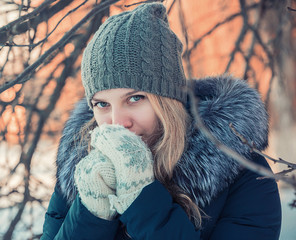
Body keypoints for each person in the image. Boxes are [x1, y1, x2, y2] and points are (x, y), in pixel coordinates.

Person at [41, 3, 281, 240]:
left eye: (135, 98)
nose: (117, 122)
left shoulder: (245, 178)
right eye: (102, 104)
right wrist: (91, 212)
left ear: (168, 100)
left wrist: (141, 197)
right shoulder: (81, 175)